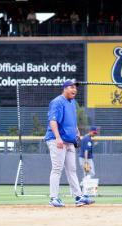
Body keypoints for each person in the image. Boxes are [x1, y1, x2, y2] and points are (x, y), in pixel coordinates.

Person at [44, 79, 95, 207]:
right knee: (57, 169)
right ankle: (53, 198)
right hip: (57, 140)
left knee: (72, 169)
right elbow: (53, 121)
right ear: (65, 88)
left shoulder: (72, 102)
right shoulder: (57, 102)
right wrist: (58, 138)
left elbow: (71, 119)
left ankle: (79, 197)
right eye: (71, 87)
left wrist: (76, 129)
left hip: (69, 141)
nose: (74, 89)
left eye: (75, 88)